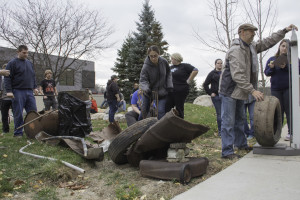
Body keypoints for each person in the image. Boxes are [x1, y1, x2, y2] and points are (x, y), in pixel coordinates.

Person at [218, 23, 298, 159]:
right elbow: (237, 75)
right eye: (251, 31)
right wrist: (252, 91)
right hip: (230, 91)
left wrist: (284, 31)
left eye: (254, 32)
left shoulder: (251, 47)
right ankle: (227, 151)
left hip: (240, 90)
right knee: (228, 121)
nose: (254, 34)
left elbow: (268, 42)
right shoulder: (236, 50)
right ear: (242, 32)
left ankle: (241, 144)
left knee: (240, 119)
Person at [264, 39, 300, 141]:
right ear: (279, 47)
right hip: (276, 89)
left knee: (289, 111)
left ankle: (291, 133)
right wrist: (271, 68)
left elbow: (298, 70)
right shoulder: (272, 58)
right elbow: (266, 72)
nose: (285, 48)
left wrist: (286, 67)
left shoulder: (293, 59)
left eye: (287, 47)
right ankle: (276, 132)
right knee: (277, 112)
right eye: (283, 46)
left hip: (289, 88)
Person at [5, 45, 39, 137]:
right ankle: (18, 133)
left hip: (29, 91)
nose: (26, 54)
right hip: (17, 91)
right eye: (24, 53)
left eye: (27, 53)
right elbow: (7, 77)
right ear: (18, 52)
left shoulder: (29, 63)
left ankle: (33, 132)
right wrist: (9, 91)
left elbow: (33, 76)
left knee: (33, 112)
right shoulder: (12, 63)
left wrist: (35, 87)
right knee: (18, 113)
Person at [139, 45, 173, 120]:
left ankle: (160, 130)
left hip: (161, 92)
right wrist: (146, 88)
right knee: (144, 111)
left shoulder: (164, 62)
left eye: (155, 56)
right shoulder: (146, 66)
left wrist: (169, 85)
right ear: (148, 56)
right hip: (149, 93)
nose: (153, 58)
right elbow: (143, 80)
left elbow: (168, 73)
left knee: (161, 111)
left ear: (159, 54)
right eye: (151, 56)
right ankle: (138, 127)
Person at [165, 53, 198, 118]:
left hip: (181, 91)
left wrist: (189, 80)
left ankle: (180, 124)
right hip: (170, 91)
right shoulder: (170, 67)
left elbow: (195, 70)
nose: (171, 60)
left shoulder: (185, 66)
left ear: (176, 58)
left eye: (172, 59)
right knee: (167, 108)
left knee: (179, 108)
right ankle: (168, 124)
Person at [203, 59, 223, 136]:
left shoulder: (225, 73)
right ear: (215, 64)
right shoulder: (212, 73)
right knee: (220, 114)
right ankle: (221, 132)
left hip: (225, 96)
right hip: (216, 97)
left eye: (221, 63)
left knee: (226, 114)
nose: (220, 65)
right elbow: (205, 84)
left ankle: (227, 131)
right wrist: (210, 93)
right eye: (218, 63)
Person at [0, 64, 12, 134]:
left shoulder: (13, 77)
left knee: (16, 114)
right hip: (4, 99)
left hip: (13, 98)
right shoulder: (1, 78)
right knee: (4, 115)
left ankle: (18, 129)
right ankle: (5, 129)